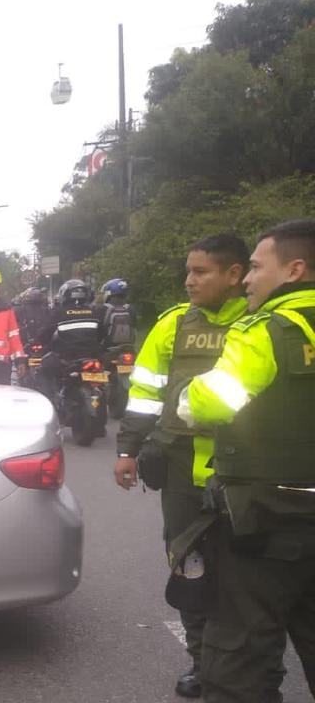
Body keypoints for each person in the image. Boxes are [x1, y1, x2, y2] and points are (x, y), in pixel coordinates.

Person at [179, 219, 315, 703]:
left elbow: (209, 402)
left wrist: (188, 399)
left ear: (295, 269)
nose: (250, 279)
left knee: (239, 660)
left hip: (268, 524)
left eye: (258, 267)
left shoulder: (265, 331)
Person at [113, 234, 253, 699]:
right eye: (188, 271)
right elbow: (145, 393)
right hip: (179, 473)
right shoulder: (173, 324)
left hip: (243, 474)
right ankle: (201, 661)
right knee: (189, 567)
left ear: (234, 275)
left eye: (201, 272)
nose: (189, 281)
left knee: (245, 572)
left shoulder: (260, 325)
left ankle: (241, 661)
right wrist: (127, 451)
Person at [102, 278, 138, 347]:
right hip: (128, 347)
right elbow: (135, 328)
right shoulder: (130, 308)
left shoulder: (104, 309)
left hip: (108, 347)